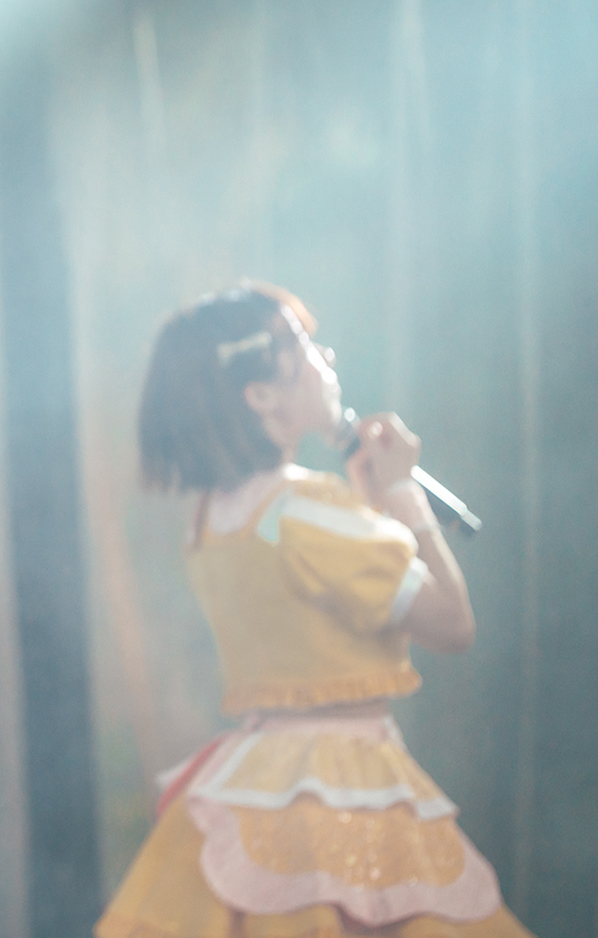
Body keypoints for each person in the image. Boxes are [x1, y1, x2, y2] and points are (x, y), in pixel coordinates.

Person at [96, 284, 531, 938]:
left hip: (256, 775)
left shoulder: (210, 520)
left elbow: (322, 586)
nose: (326, 356)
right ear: (261, 395)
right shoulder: (307, 510)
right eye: (302, 345)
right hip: (345, 781)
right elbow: (451, 622)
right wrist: (402, 495)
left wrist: (371, 503)